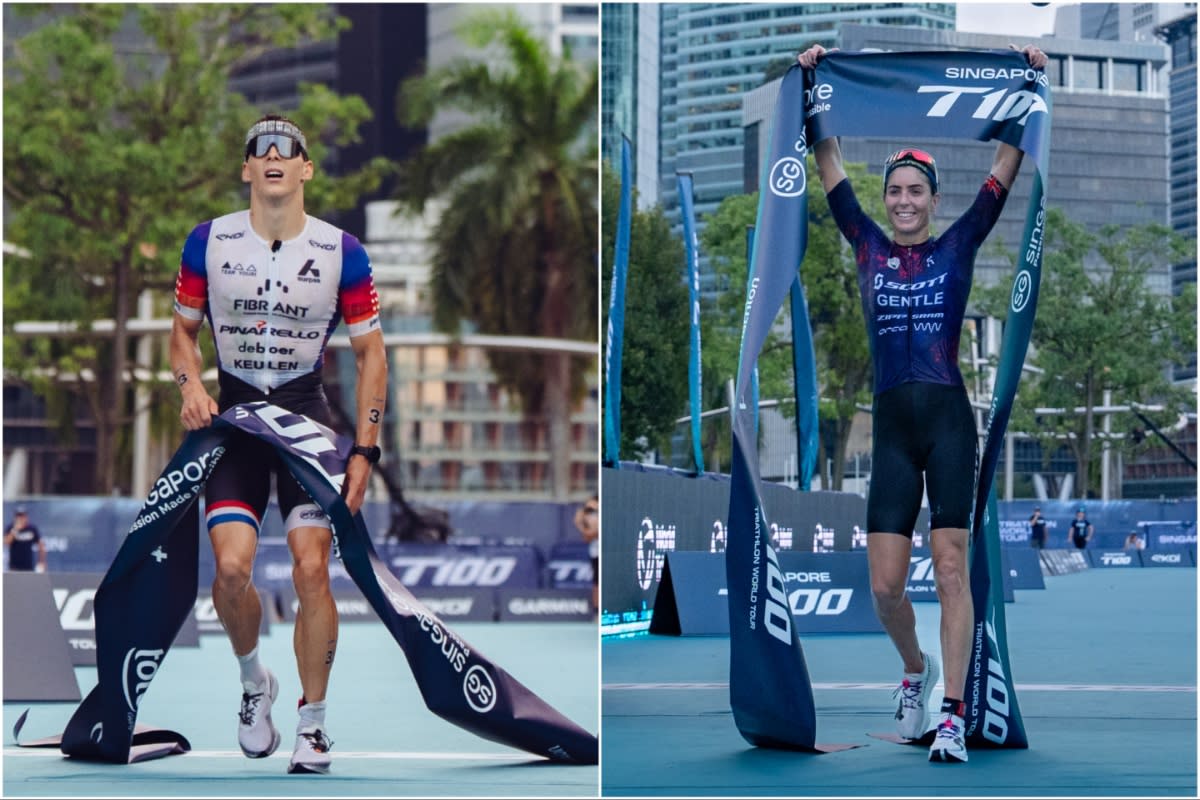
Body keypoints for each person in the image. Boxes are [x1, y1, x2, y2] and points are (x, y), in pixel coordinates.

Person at [797, 42, 1047, 765]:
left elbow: (1008, 161)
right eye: (894, 193)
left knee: (949, 568)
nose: (903, 202)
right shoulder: (866, 246)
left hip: (945, 425)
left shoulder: (959, 245)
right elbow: (830, 164)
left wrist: (1029, 77)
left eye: (915, 192)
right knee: (883, 589)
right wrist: (814, 82)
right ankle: (916, 671)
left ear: (934, 200)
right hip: (893, 433)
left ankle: (952, 715)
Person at [169, 114, 387, 775]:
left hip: (304, 421)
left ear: (304, 169)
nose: (271, 155)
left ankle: (313, 727)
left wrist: (366, 449)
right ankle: (251, 683)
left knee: (313, 568)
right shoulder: (206, 242)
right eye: (258, 150)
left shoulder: (342, 250)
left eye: (286, 149)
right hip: (234, 420)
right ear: (245, 170)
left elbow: (372, 353)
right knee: (231, 570)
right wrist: (189, 386)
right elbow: (181, 334)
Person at [574, 495, 599, 617]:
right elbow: (587, 537)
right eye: (589, 509)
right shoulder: (589, 519)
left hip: (608, 553)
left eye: (593, 509)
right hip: (596, 554)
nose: (592, 511)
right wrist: (580, 523)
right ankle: (596, 611)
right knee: (597, 582)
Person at [5, 507, 47, 572]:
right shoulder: (10, 527)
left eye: (22, 516)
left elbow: (41, 545)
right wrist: (15, 529)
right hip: (14, 567)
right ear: (15, 517)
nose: (20, 518)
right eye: (18, 516)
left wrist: (41, 562)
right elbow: (6, 542)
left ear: (26, 517)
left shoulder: (32, 528)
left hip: (28, 566)